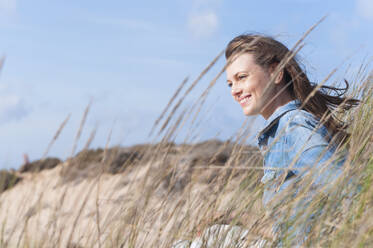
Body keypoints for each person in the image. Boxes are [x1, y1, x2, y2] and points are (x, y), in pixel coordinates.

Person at [225, 34, 359, 245]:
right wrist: (239, 220)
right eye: (230, 83)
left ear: (276, 72)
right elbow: (291, 227)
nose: (235, 90)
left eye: (242, 77)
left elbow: (349, 191)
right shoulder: (280, 132)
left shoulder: (294, 127)